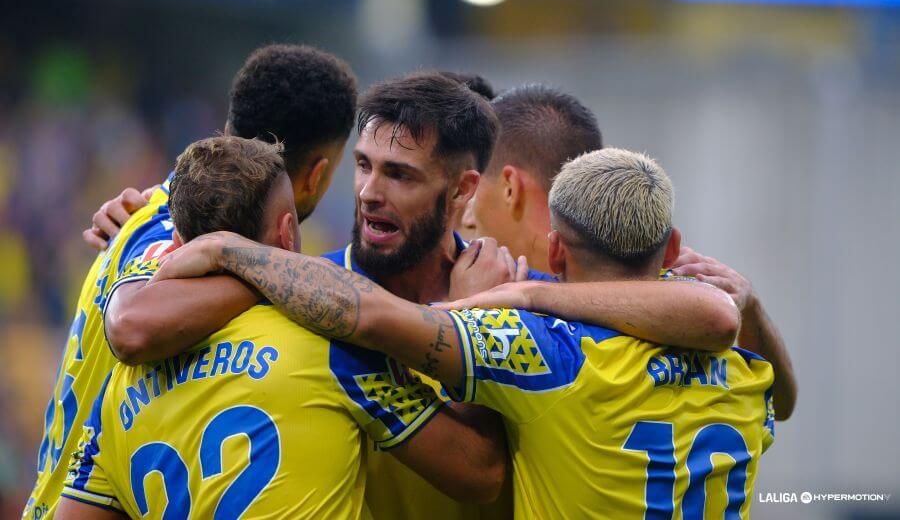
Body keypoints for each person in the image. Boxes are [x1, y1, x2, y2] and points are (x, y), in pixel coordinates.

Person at [153, 147, 775, 519]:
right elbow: (743, 343)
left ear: (554, 252)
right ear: (670, 246)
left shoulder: (548, 353)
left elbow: (367, 316)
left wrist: (236, 252)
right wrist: (752, 308)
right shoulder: (749, 376)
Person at [55, 137, 506, 519]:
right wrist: (476, 316)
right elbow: (480, 473)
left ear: (176, 245)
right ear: (288, 235)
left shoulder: (117, 389)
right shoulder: (333, 344)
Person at [24, 43, 358, 520]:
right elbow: (133, 327)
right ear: (320, 173)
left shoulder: (175, 219)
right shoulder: (167, 222)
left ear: (226, 130)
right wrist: (284, 271)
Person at [462, 84, 797, 420]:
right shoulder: (675, 291)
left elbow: (770, 394)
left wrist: (524, 296)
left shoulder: (681, 301)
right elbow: (778, 404)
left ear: (509, 187)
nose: (467, 213)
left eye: (475, 190)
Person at [461, 84, 603, 272]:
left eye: (476, 190)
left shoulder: (477, 298)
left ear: (510, 189)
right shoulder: (649, 273)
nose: (467, 218)